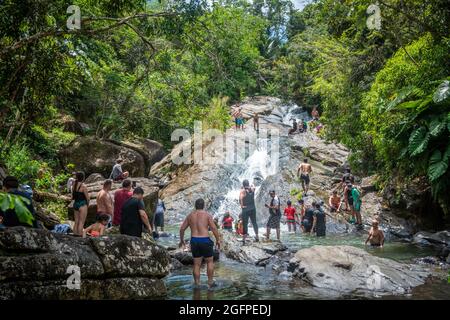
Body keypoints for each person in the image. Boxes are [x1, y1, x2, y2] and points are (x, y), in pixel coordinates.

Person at [179, 198, 221, 288]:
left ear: (195, 205)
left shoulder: (190, 215)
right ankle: (210, 282)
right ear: (203, 206)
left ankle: (197, 284)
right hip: (205, 240)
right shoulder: (207, 215)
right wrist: (218, 240)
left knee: (196, 264)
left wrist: (182, 240)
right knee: (209, 262)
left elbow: (182, 228)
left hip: (194, 240)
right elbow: (213, 228)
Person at [239, 179, 259, 244]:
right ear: (248, 184)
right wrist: (251, 185)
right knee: (254, 222)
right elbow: (254, 187)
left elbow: (241, 198)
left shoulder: (243, 191)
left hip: (245, 209)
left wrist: (242, 205)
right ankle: (257, 236)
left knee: (245, 224)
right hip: (253, 208)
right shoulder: (252, 189)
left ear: (243, 184)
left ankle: (244, 239)